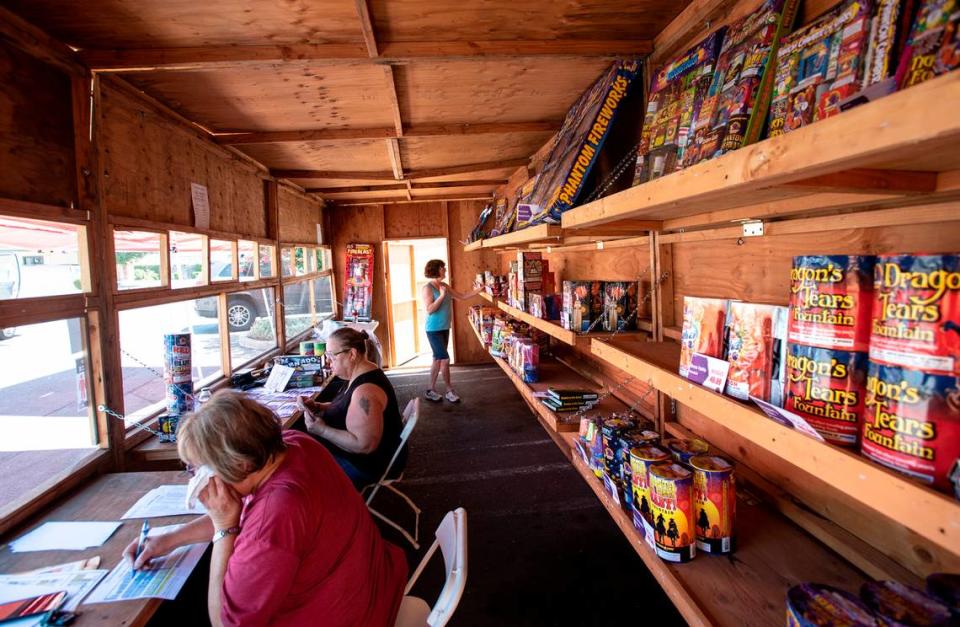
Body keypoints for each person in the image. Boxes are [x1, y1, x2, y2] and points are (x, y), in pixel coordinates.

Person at [123, 391, 407, 627]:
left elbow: (225, 622)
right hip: (375, 585)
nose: (199, 477)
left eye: (201, 468)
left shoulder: (276, 513)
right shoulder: (295, 445)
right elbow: (241, 510)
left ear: (240, 464)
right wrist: (169, 539)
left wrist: (224, 530)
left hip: (355, 615)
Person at [297, 327, 405, 489]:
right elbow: (347, 406)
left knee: (296, 469)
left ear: (352, 354)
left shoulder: (365, 392)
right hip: (362, 459)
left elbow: (364, 445)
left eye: (332, 356)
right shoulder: (360, 374)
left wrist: (322, 431)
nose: (328, 362)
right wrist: (319, 406)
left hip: (366, 466)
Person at [421, 258, 482, 403]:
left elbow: (461, 296)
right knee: (445, 359)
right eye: (443, 268)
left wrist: (479, 290)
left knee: (437, 359)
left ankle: (430, 390)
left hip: (444, 328)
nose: (445, 270)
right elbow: (430, 310)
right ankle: (449, 391)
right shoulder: (427, 288)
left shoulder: (444, 285)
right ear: (436, 269)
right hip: (433, 329)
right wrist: (441, 296)